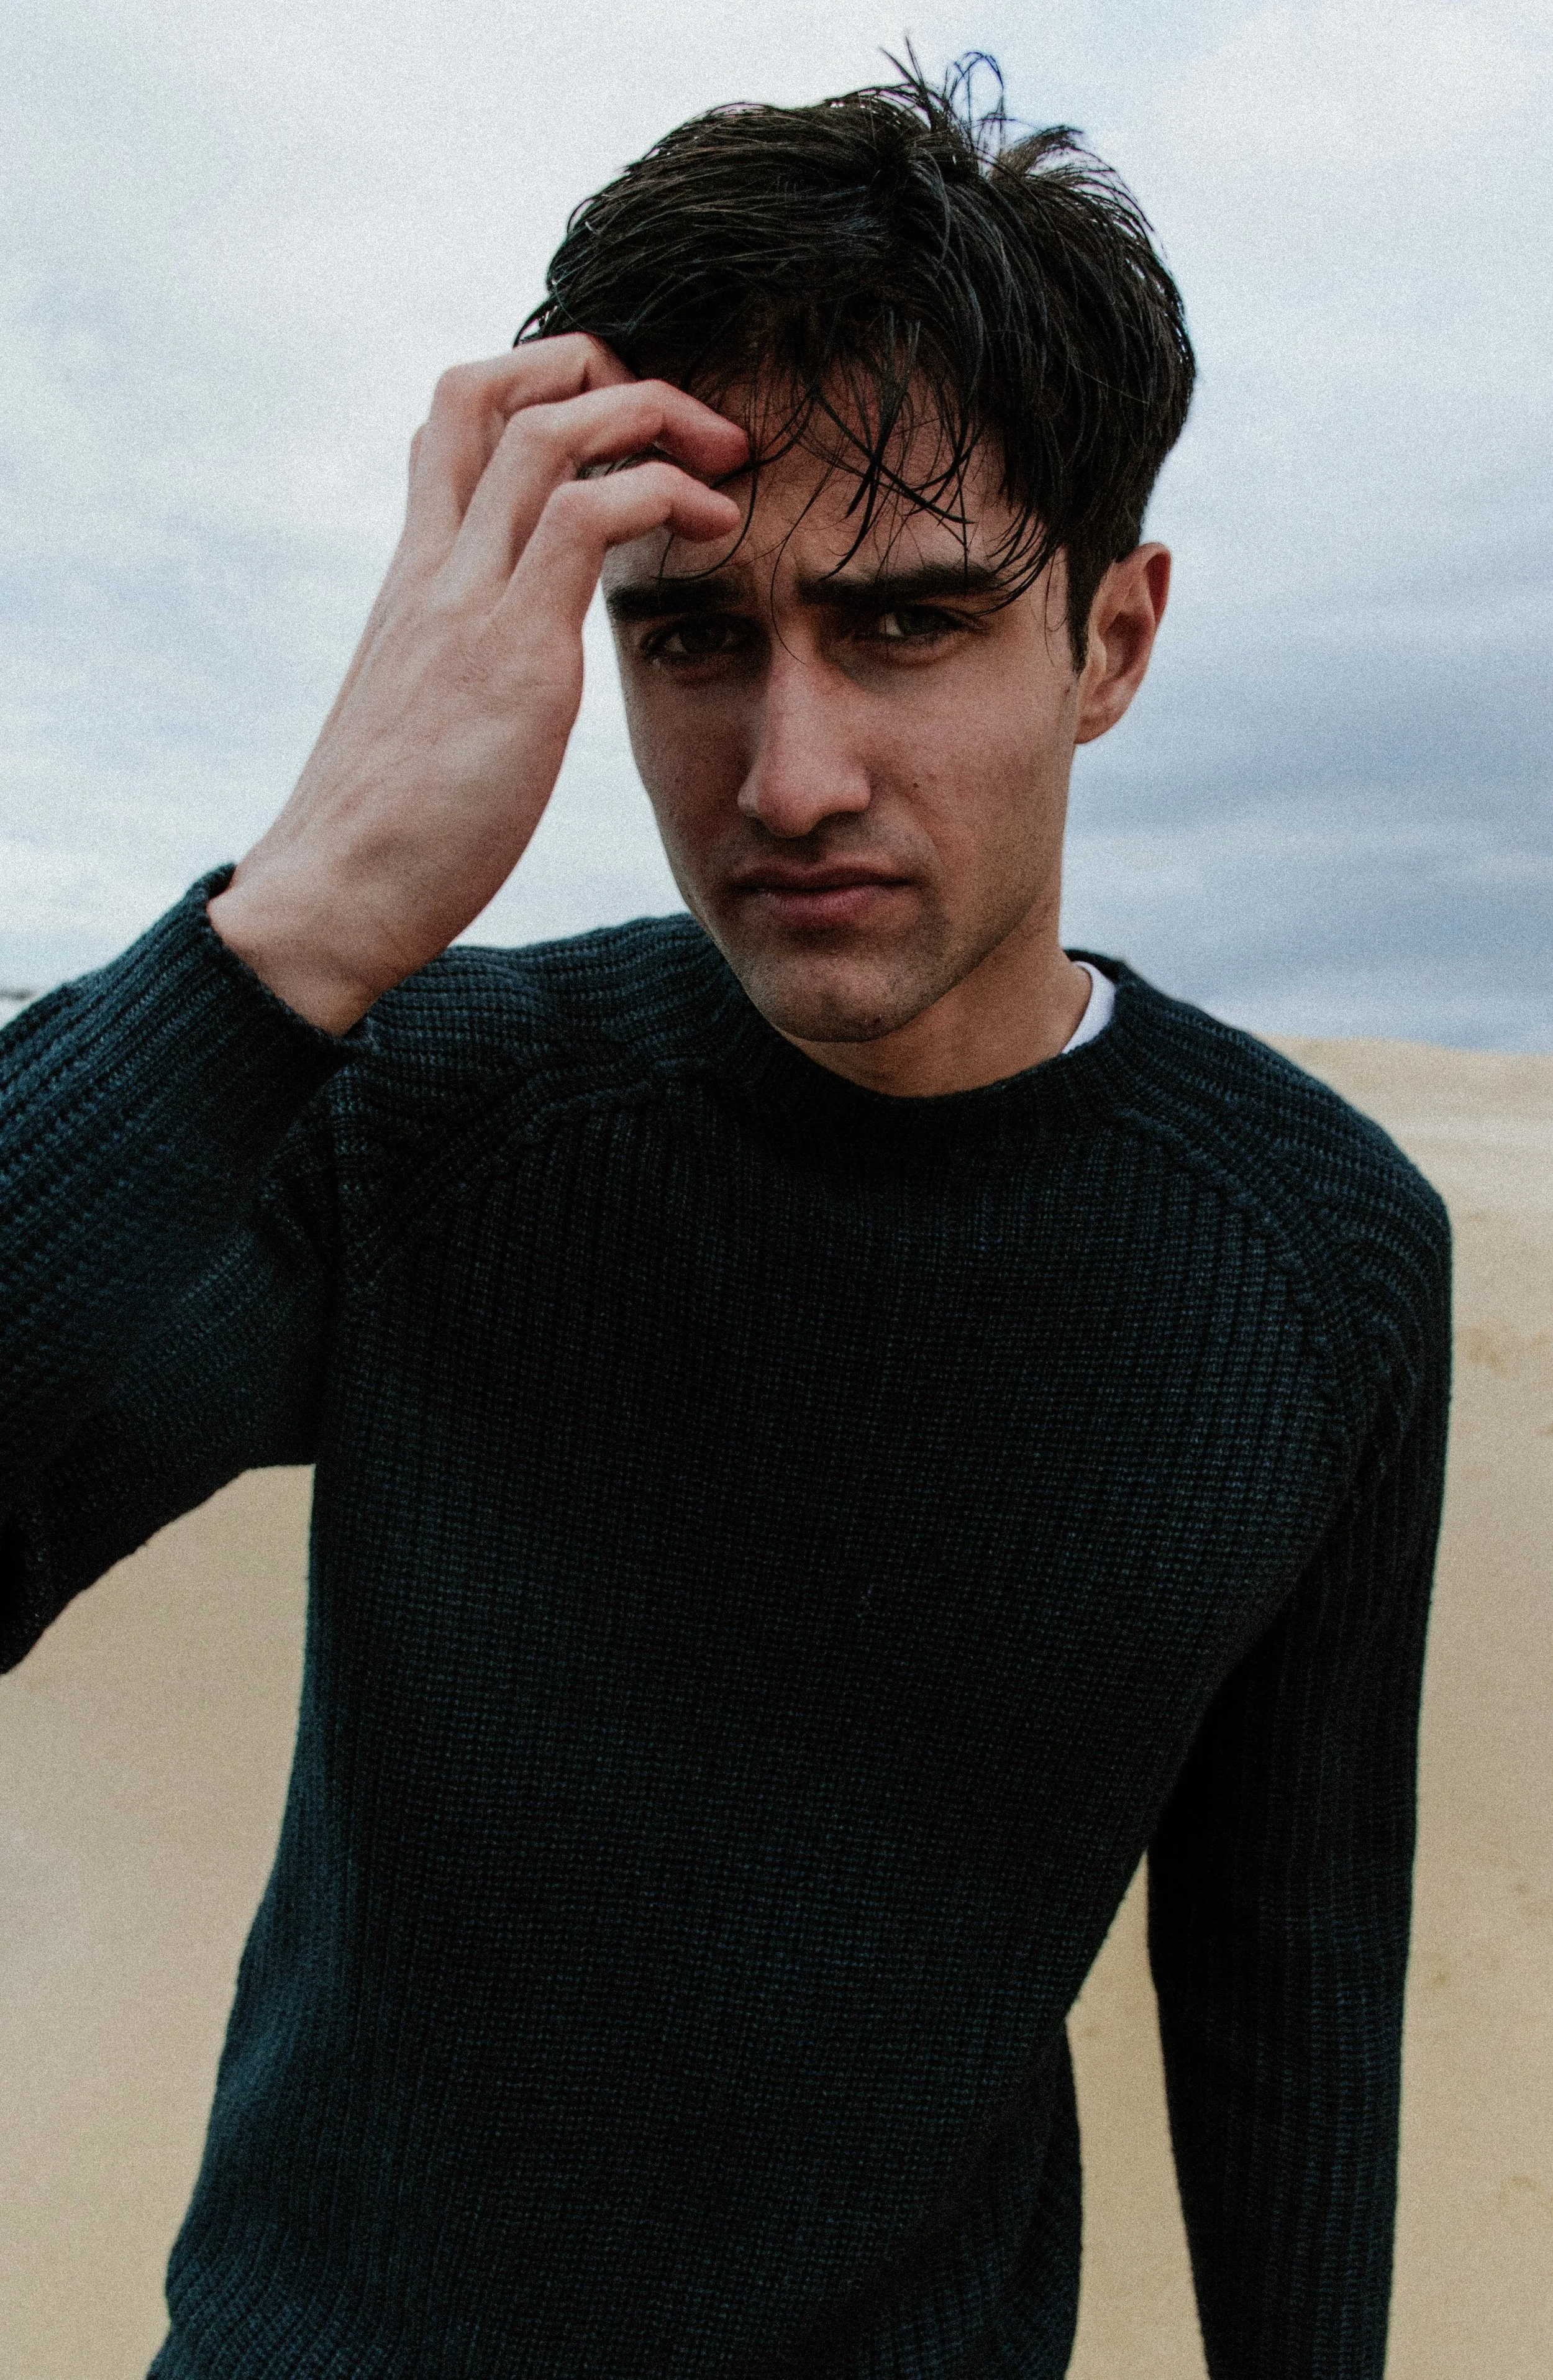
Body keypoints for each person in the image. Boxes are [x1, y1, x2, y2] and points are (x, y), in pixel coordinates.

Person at [0, 60, 1450, 2380]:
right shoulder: (436, 1111)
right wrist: (307, 911)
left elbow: (1291, 1955)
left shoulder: (1315, 1258)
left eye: (906, 624)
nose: (789, 773)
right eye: (689, 637)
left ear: (1109, 638)